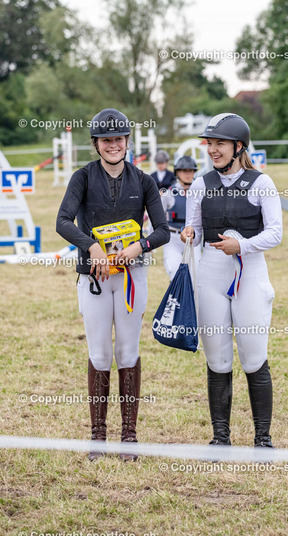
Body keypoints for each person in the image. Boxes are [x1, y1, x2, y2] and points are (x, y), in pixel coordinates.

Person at [56, 108, 170, 461]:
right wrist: (92, 247)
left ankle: (129, 436)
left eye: (118, 139)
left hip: (131, 277)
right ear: (96, 144)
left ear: (127, 141)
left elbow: (163, 230)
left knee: (128, 352)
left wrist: (139, 247)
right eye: (106, 140)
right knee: (100, 353)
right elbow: (63, 221)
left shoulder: (144, 180)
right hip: (95, 277)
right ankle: (98, 436)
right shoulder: (82, 177)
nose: (113, 145)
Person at [181, 113, 282, 448]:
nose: (212, 149)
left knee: (253, 357)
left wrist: (242, 246)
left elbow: (275, 233)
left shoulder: (261, 183)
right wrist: (189, 234)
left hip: (250, 274)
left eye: (219, 144)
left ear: (238, 146)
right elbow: (196, 232)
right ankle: (220, 438)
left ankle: (263, 440)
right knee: (217, 359)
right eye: (209, 143)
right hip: (210, 275)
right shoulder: (200, 185)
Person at [160, 155, 201, 280]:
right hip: (173, 238)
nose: (188, 174)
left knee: (196, 274)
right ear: (177, 172)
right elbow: (157, 218)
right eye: (184, 171)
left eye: (191, 171)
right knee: (174, 271)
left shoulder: (199, 193)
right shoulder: (168, 194)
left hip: (192, 239)